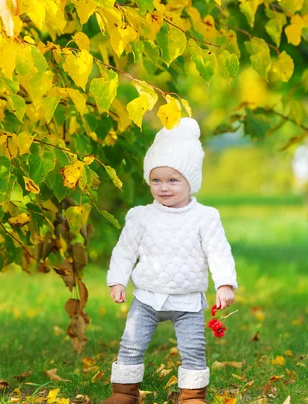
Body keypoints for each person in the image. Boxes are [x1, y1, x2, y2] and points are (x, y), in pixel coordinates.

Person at [103, 118, 238, 404]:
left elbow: (218, 251)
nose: (163, 187)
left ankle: (191, 395)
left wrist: (225, 284)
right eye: (156, 180)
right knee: (131, 343)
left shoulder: (205, 217)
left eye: (173, 180)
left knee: (193, 349)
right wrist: (117, 279)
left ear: (191, 181)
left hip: (187, 300)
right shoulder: (141, 215)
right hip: (147, 296)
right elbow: (125, 249)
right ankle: (124, 392)